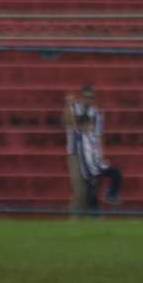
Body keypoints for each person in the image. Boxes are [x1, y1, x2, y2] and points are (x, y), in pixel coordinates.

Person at [62, 85, 102, 215]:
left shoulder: (96, 114)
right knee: (78, 188)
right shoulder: (72, 108)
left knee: (88, 188)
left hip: (90, 154)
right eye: (85, 97)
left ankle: (82, 217)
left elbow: (98, 136)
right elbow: (65, 122)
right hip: (75, 153)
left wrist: (99, 157)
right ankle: (74, 215)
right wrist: (68, 105)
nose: (87, 100)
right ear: (81, 97)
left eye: (90, 98)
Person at [73, 114, 122, 214]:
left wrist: (102, 161)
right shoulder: (79, 138)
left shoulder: (92, 136)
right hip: (90, 171)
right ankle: (93, 215)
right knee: (92, 195)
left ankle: (111, 195)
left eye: (89, 124)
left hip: (99, 167)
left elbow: (96, 152)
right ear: (81, 125)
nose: (88, 126)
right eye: (86, 124)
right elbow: (84, 157)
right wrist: (91, 174)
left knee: (116, 173)